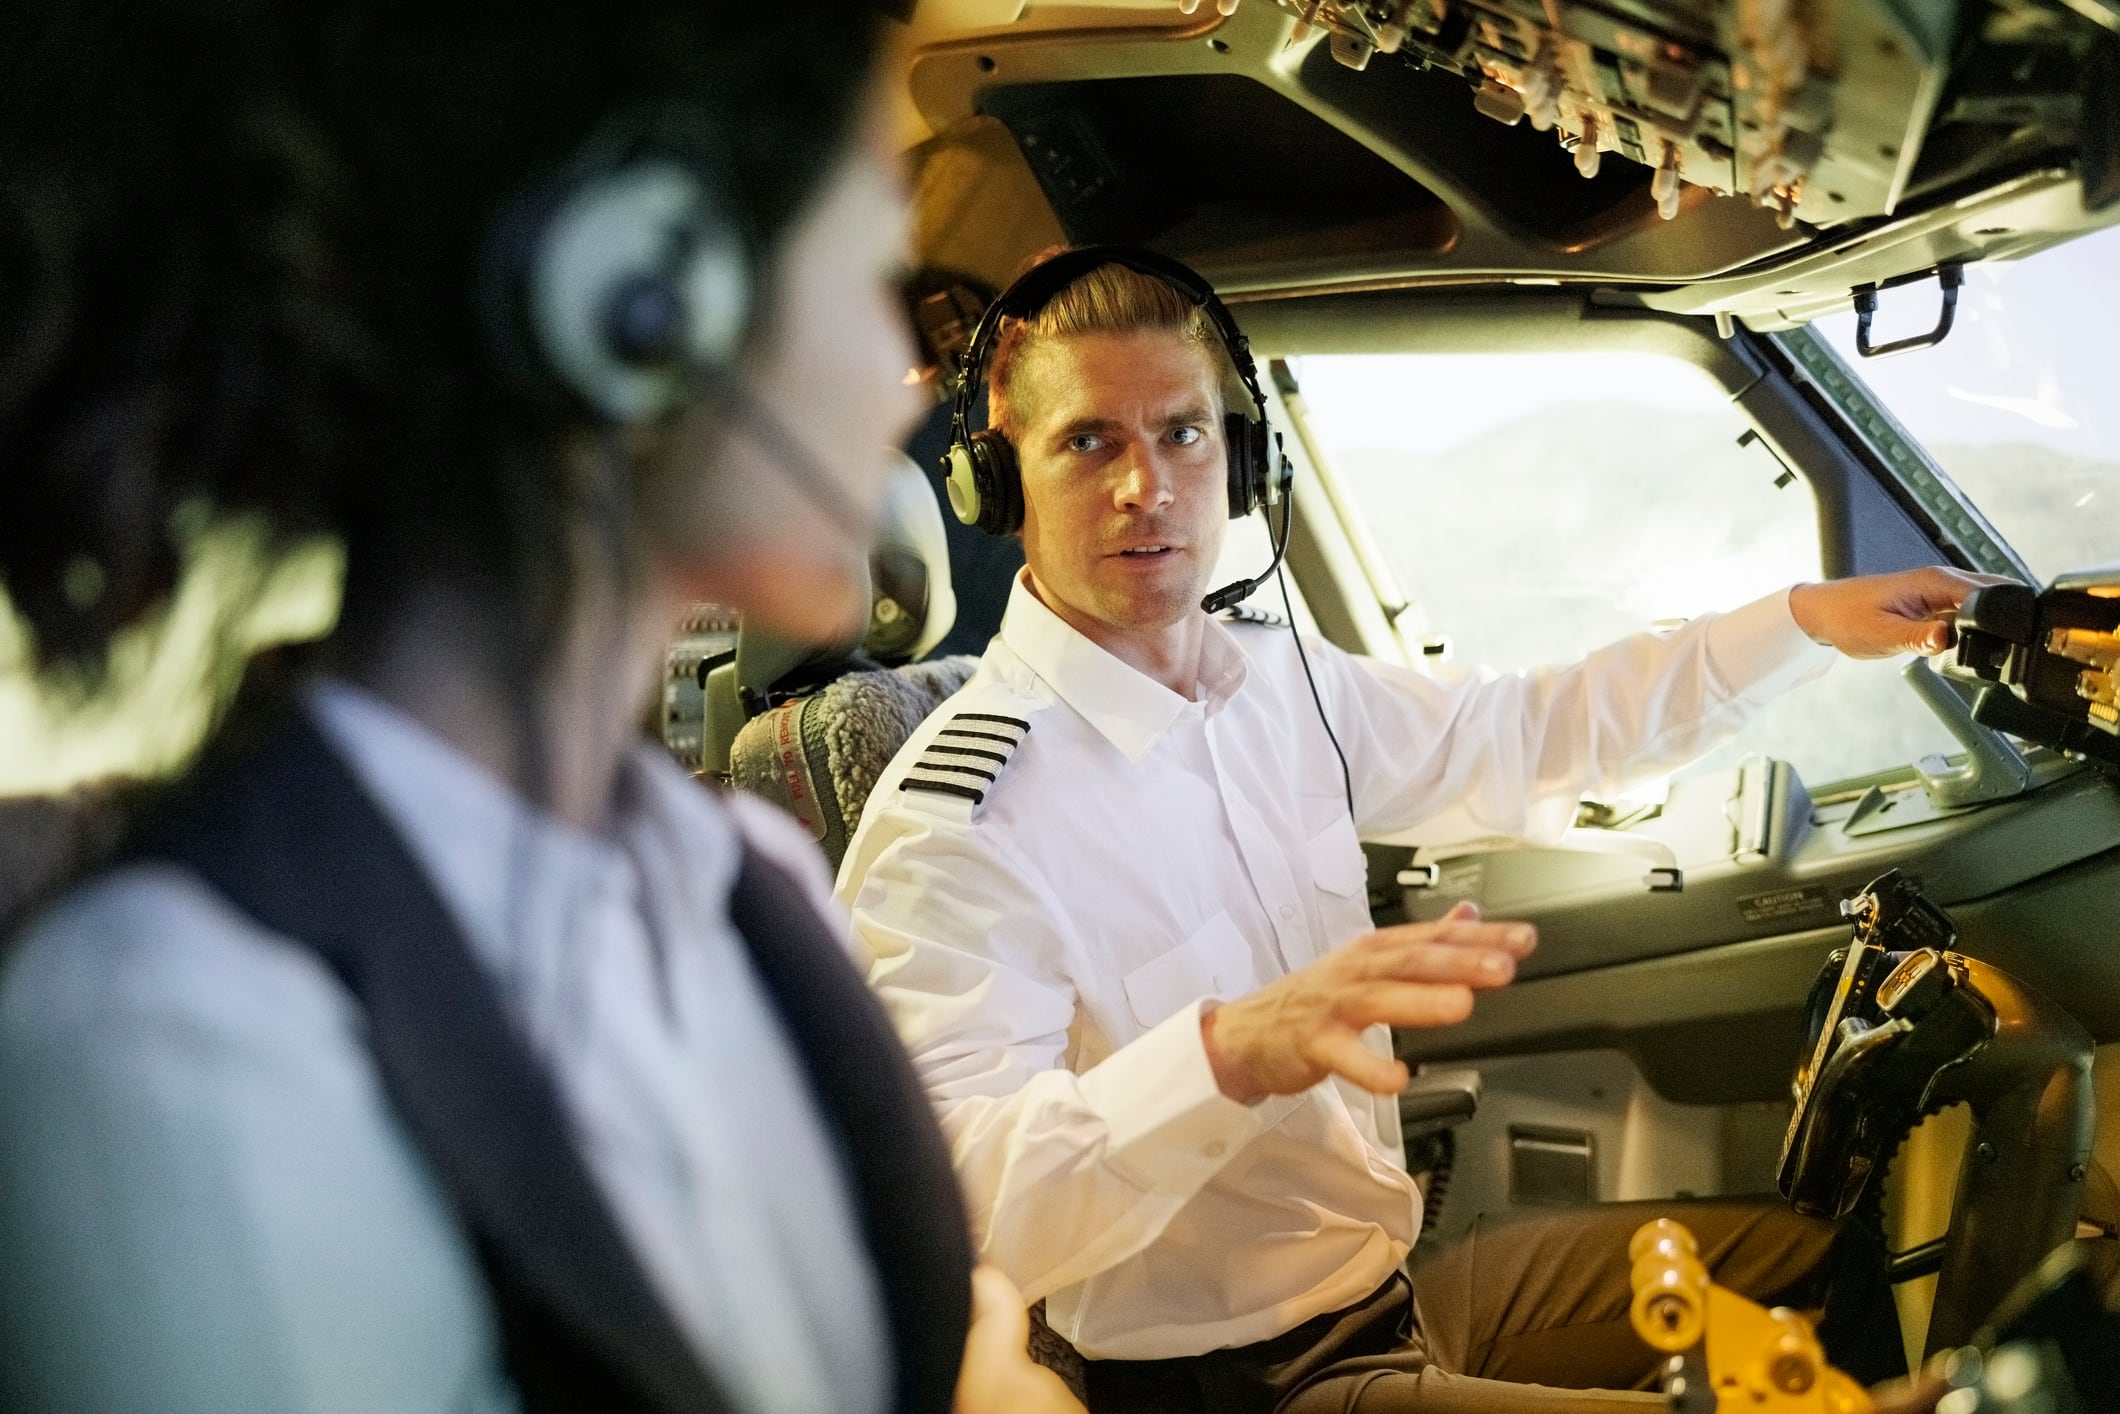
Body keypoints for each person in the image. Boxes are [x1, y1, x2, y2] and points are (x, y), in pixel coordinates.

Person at [0, 6, 1079, 1414]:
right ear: (638, 295)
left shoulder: (750, 894)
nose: (902, 383)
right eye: (878, 274)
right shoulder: (168, 1032)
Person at [837, 247, 1996, 1412]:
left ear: (1239, 461)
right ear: (1001, 475)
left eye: (1182, 433)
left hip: (1382, 1300)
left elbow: (1520, 734)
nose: (1148, 486)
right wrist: (1223, 1053)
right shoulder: (961, 819)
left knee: (1807, 1265)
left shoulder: (1277, 681)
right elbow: (953, 1205)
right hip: (1223, 1385)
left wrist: (1801, 622)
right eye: (1089, 440)